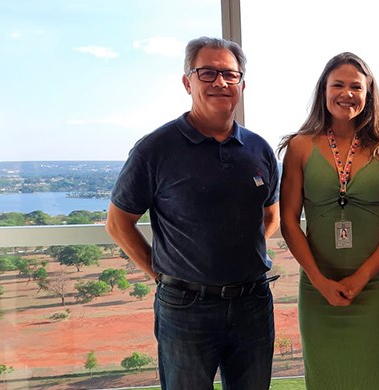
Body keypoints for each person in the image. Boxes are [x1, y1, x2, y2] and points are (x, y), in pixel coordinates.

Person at [105, 36, 280, 389]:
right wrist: (160, 273)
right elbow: (118, 223)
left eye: (230, 75)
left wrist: (237, 254)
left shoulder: (258, 149)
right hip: (185, 308)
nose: (220, 82)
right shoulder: (155, 149)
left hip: (253, 304)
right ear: (187, 82)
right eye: (207, 73)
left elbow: (270, 216)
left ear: (242, 85)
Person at [278, 52, 379, 389]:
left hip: (374, 288)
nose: (346, 93)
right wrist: (320, 280)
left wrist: (363, 276)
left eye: (356, 86)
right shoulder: (299, 147)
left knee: (373, 376)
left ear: (369, 94)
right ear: (323, 90)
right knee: (324, 377)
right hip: (316, 287)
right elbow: (289, 221)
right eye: (337, 84)